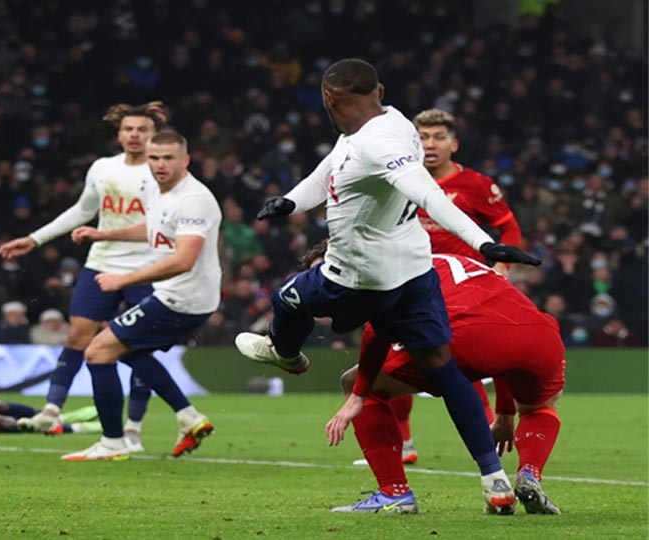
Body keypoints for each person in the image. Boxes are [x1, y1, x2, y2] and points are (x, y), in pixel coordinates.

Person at [237, 59, 540, 513]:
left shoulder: (378, 144)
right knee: (441, 367)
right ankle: (495, 481)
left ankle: (285, 354)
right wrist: (291, 202)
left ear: (328, 98)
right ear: (378, 90)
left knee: (287, 298)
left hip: (360, 276)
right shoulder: (388, 122)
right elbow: (330, 170)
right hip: (414, 273)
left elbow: (428, 195)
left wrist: (483, 243)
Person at [320, 247, 564, 515]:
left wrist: (358, 393)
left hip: (464, 336)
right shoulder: (460, 262)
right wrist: (506, 413)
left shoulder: (394, 271)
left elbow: (375, 333)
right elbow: (501, 333)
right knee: (539, 406)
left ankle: (394, 493)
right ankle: (530, 472)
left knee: (355, 381)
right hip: (540, 334)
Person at [0, 102, 179, 449]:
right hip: (101, 264)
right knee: (77, 337)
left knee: (139, 347)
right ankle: (51, 410)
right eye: (129, 129)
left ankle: (133, 430)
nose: (135, 135)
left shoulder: (163, 173)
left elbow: (168, 223)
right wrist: (34, 239)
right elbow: (83, 210)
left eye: (142, 129)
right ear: (119, 133)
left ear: (155, 134)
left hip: (147, 268)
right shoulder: (102, 168)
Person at [365, 108, 525, 466]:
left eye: (438, 137)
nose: (430, 144)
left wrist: (502, 264)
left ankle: (487, 435)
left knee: (456, 359)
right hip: (405, 281)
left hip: (459, 288)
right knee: (392, 358)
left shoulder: (478, 186)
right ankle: (404, 444)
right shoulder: (399, 178)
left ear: (454, 144)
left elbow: (509, 227)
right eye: (422, 137)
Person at [61, 131, 221, 461]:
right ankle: (188, 417)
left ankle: (113, 443)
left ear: (186, 160)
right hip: (177, 295)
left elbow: (183, 259)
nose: (160, 165)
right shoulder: (156, 190)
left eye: (168, 158)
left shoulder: (194, 199)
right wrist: (103, 233)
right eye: (154, 158)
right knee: (128, 351)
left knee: (97, 352)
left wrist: (124, 279)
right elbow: (153, 229)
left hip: (183, 299)